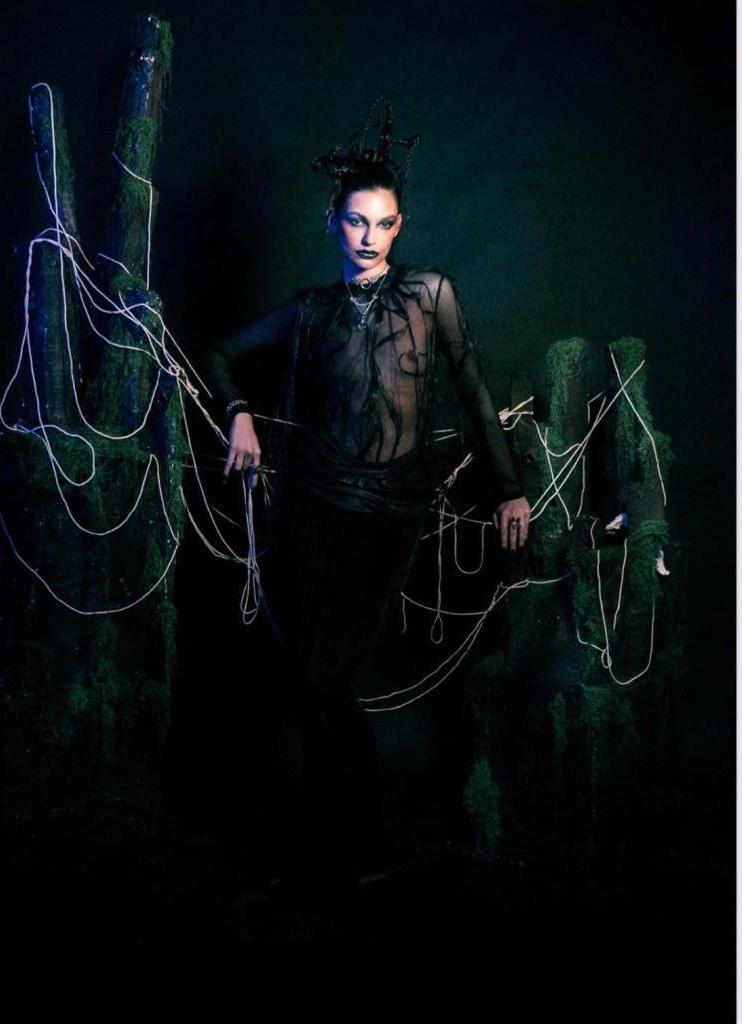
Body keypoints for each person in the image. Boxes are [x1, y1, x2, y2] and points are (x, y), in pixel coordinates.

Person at [201, 97, 531, 883]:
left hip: (389, 511)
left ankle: (363, 841)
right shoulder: (310, 312)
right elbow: (217, 353)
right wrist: (240, 414)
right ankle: (332, 843)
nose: (369, 237)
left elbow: (475, 392)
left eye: (383, 224)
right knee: (309, 681)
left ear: (399, 226)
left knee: (326, 678)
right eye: (356, 221)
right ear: (333, 222)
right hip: (311, 504)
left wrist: (509, 490)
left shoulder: (431, 295)